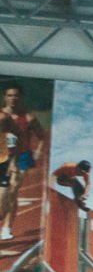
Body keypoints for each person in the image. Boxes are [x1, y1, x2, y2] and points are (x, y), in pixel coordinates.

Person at [1, 83, 48, 240]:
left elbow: (41, 136)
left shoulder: (28, 117)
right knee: (3, 194)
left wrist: (38, 151)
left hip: (21, 157)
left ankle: (6, 227)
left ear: (21, 97)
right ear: (4, 97)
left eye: (16, 95)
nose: (13, 98)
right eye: (9, 95)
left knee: (12, 190)